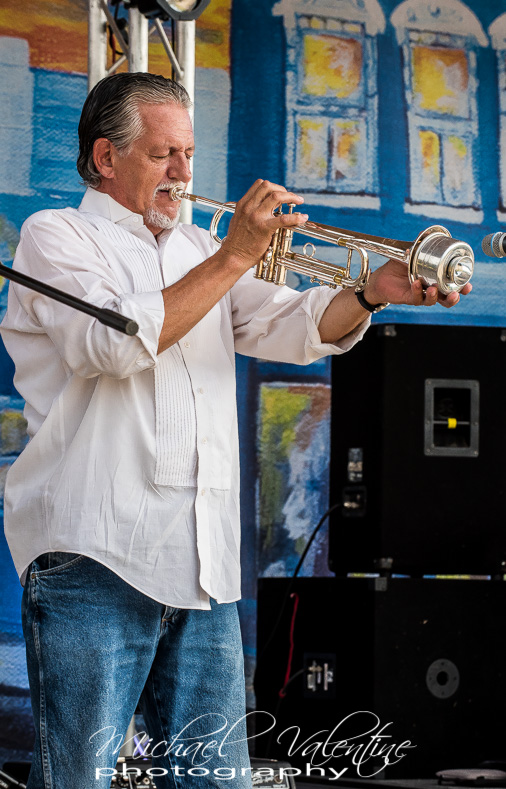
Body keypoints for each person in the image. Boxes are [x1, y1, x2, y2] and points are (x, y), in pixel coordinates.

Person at [0, 72, 471, 789]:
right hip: (96, 553)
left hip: (202, 561)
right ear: (105, 157)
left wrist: (369, 291)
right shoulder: (56, 236)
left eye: (188, 153)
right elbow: (112, 344)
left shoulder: (198, 246)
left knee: (216, 782)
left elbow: (291, 326)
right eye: (163, 154)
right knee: (77, 781)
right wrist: (234, 256)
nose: (183, 172)